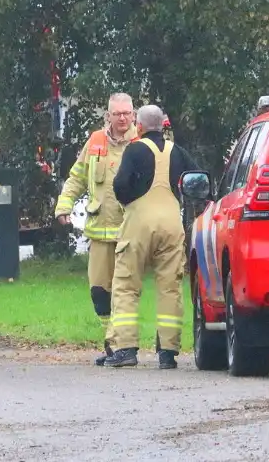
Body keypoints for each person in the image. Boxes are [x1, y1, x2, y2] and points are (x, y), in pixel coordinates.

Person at [105, 104, 199, 369]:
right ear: (164, 125)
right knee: (170, 287)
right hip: (172, 225)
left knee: (126, 285)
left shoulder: (134, 150)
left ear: (141, 126)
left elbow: (120, 185)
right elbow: (197, 181)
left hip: (139, 223)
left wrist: (131, 202)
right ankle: (168, 353)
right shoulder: (178, 152)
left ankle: (126, 350)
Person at [53, 92, 139, 366]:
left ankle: (126, 348)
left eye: (127, 113)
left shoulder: (142, 144)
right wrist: (63, 206)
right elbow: (77, 176)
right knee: (100, 292)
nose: (123, 118)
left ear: (134, 115)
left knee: (125, 292)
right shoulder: (96, 141)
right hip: (101, 232)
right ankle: (113, 345)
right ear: (108, 116)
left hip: (131, 231)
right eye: (118, 114)